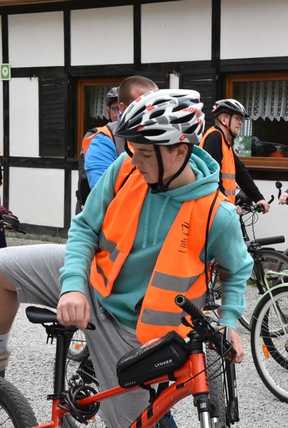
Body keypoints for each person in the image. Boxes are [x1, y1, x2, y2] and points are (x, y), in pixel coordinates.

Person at [0, 89, 253, 427]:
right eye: (134, 151)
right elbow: (85, 227)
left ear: (180, 150)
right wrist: (73, 286)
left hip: (134, 333)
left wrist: (229, 320)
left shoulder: (216, 215)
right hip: (94, 281)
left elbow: (237, 272)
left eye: (146, 154)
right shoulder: (127, 168)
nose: (136, 161)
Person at [77, 76, 159, 212]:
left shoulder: (156, 133)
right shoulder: (102, 139)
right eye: (142, 105)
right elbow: (102, 194)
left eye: (153, 105)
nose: (148, 111)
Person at [200, 98, 270, 212]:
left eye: (241, 119)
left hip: (223, 210)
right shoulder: (214, 138)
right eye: (237, 118)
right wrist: (227, 206)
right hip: (214, 211)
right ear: (224, 119)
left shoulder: (225, 143)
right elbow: (213, 180)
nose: (240, 122)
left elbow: (241, 173)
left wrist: (258, 198)